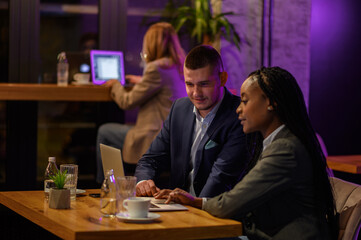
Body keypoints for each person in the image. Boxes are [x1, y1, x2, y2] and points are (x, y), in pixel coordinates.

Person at [160, 67, 338, 239]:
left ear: (270, 103)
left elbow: (232, 204)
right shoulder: (276, 143)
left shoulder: (286, 149)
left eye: (245, 101)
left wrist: (193, 201)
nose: (238, 109)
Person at [135, 45, 249, 198]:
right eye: (189, 84)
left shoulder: (240, 115)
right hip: (175, 206)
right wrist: (143, 182)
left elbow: (221, 179)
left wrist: (190, 203)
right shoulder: (179, 109)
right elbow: (150, 159)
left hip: (213, 211)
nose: (196, 93)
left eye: (204, 84)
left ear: (222, 79)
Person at [96, 22, 187, 183]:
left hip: (153, 134)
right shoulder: (178, 65)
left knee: (105, 131)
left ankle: (106, 186)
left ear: (150, 44)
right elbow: (162, 85)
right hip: (173, 134)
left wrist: (115, 84)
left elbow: (127, 101)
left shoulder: (155, 68)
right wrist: (141, 80)